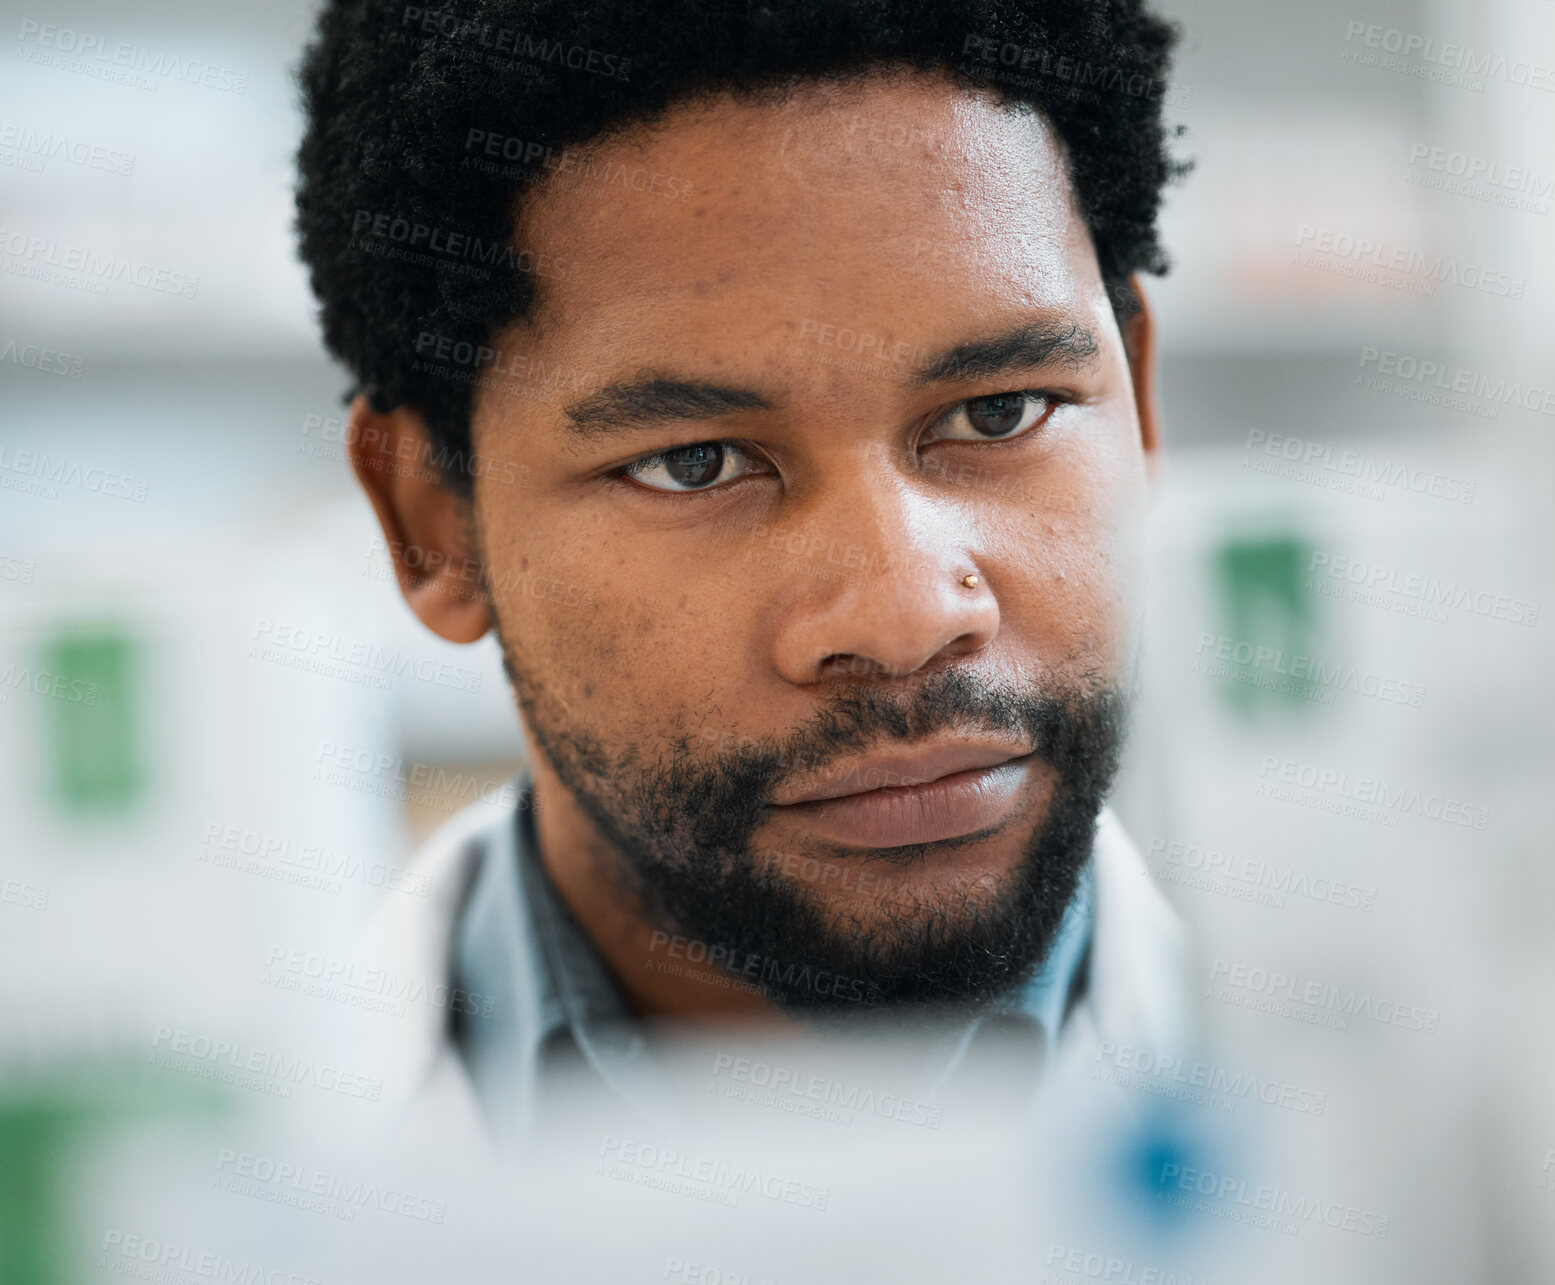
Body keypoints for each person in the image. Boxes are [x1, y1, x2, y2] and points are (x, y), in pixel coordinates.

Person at [293, 0, 1194, 1146]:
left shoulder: (1438, 1104)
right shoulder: (177, 1194)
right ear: (436, 525)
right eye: (695, 463)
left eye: (998, 411)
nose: (907, 613)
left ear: (1140, 402)